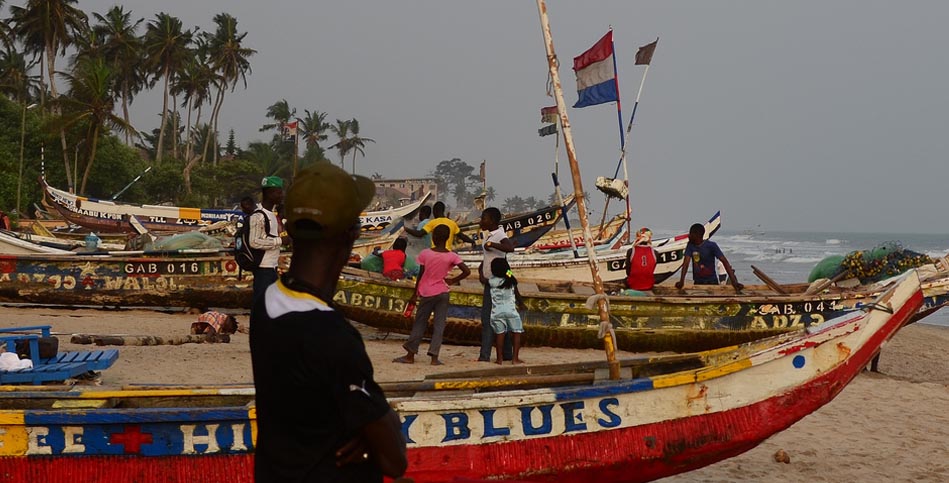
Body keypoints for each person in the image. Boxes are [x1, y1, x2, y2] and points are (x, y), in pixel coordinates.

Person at [249, 163, 407, 482]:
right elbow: (394, 459)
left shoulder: (266, 304)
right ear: (352, 233)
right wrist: (373, 431)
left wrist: (368, 430)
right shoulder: (332, 335)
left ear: (289, 230)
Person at [394, 224, 471, 366]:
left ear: (434, 238)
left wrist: (414, 294)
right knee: (439, 325)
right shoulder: (452, 256)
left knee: (420, 323)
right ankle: (434, 357)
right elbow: (467, 271)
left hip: (427, 292)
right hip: (443, 292)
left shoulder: (425, 253)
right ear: (448, 238)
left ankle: (410, 355)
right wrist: (453, 280)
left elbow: (421, 274)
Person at [477, 207, 514, 362]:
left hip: (495, 283)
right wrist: (480, 272)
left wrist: (492, 244)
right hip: (490, 281)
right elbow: (488, 258)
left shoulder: (498, 235)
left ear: (492, 220)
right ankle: (507, 354)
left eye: (484, 218)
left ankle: (484, 356)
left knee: (487, 319)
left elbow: (509, 248)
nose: (481, 221)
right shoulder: (490, 236)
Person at [248, 176, 288, 303]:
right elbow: (254, 241)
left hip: (272, 268)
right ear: (269, 193)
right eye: (279, 192)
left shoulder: (273, 215)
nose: (282, 195)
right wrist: (279, 241)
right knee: (261, 305)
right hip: (263, 269)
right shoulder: (258, 215)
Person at [675, 223, 744, 293]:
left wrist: (734, 281)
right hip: (698, 282)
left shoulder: (711, 246)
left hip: (712, 282)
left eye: (691, 233)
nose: (689, 236)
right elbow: (686, 263)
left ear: (697, 235)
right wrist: (682, 281)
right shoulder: (690, 246)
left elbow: (724, 261)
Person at [488, 258, 525, 365]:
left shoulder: (491, 281)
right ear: (507, 269)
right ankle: (515, 359)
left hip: (496, 312)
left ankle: (499, 359)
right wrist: (521, 304)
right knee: (516, 333)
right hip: (511, 311)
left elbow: (481, 278)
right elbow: (517, 294)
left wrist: (482, 267)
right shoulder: (511, 280)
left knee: (499, 335)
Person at [404, 201, 475, 250]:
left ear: (435, 211)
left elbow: (419, 234)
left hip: (435, 252)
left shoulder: (432, 222)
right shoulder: (452, 223)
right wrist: (472, 241)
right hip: (447, 252)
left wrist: (406, 229)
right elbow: (462, 236)